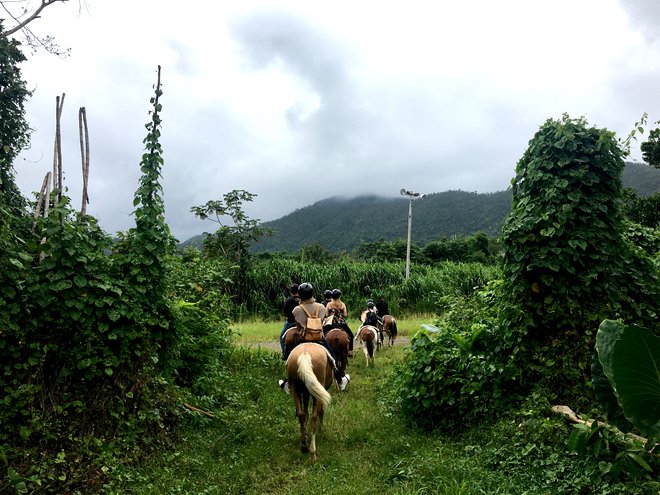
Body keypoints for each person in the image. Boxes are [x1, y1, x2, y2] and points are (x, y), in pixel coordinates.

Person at [279, 282, 350, 393]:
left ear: (300, 295)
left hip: (303, 340)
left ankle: (289, 382)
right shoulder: (321, 307)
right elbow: (323, 321)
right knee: (332, 358)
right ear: (312, 294)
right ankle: (340, 379)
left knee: (289, 359)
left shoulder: (296, 310)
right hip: (319, 339)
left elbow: (298, 328)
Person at [325, 288, 354, 355]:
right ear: (339, 296)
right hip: (341, 323)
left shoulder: (329, 304)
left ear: (332, 296)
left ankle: (325, 349)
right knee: (351, 335)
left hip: (331, 323)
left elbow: (326, 315)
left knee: (323, 335)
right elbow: (345, 314)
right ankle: (350, 351)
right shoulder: (342, 304)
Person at [279, 283, 299, 359]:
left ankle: (284, 354)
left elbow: (284, 313)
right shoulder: (302, 300)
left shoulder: (288, 301)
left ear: (291, 291)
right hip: (301, 323)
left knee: (281, 337)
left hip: (290, 322)